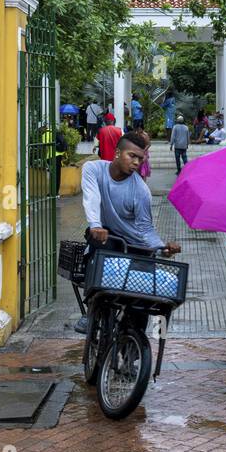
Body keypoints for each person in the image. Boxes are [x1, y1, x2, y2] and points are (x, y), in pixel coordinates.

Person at [74, 132, 181, 331]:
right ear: (117, 153)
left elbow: (145, 228)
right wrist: (95, 224)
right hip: (106, 235)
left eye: (140, 159)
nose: (136, 162)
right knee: (98, 243)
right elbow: (91, 198)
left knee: (140, 298)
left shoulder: (141, 191)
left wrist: (161, 247)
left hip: (134, 245)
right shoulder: (93, 169)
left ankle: (133, 350)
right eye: (131, 156)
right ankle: (90, 312)